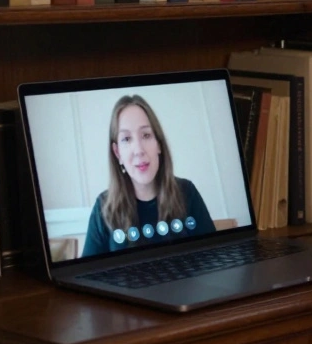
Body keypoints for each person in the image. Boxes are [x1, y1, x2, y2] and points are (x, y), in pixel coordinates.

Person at [81, 94, 217, 257]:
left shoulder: (187, 192)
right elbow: (87, 275)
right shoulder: (103, 208)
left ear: (158, 144)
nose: (139, 149)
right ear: (118, 153)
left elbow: (213, 256)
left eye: (146, 135)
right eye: (126, 139)